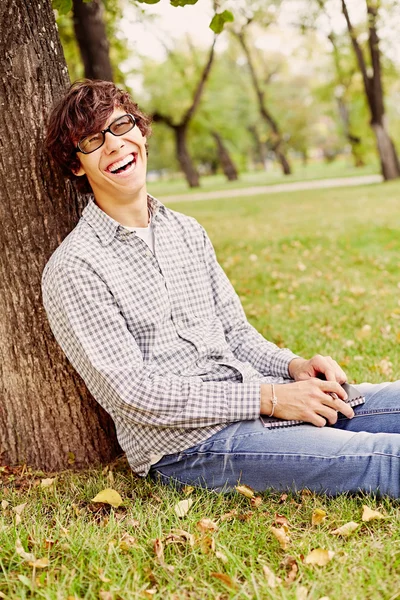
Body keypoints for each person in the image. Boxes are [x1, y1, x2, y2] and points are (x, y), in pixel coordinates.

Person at [42, 79, 400, 497]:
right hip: (189, 447)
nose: (116, 145)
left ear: (140, 131)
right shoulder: (75, 267)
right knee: (384, 459)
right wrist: (268, 399)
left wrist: (294, 367)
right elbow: (132, 394)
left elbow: (236, 333)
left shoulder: (186, 231)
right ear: (75, 164)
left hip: (259, 394)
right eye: (92, 140)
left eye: (121, 126)